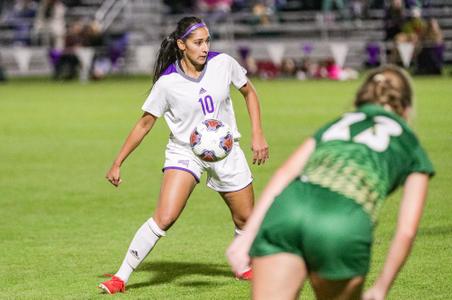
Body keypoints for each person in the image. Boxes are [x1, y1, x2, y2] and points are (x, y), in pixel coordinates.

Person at [227, 65, 434, 300]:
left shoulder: (340, 123)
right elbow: (406, 230)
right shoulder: (410, 142)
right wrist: (381, 287)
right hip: (341, 221)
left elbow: (285, 173)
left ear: (362, 98)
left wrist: (248, 234)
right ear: (406, 108)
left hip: (289, 208)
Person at [99, 16, 269, 294]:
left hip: (226, 150)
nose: (205, 48)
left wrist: (258, 133)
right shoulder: (167, 83)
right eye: (198, 42)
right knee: (165, 216)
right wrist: (118, 161)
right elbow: (144, 123)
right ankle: (121, 277)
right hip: (185, 151)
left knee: (245, 219)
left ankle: (242, 264)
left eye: (207, 41)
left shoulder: (223, 64)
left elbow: (250, 93)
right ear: (181, 45)